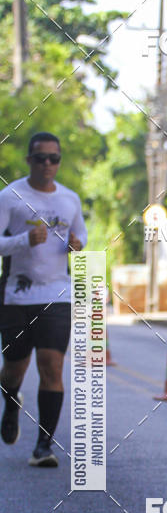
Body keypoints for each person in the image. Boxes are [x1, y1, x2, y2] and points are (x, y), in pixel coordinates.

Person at [0, 132, 87, 467]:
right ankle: (10, 402)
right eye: (41, 158)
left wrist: (78, 243)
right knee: (13, 369)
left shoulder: (69, 199)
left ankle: (43, 447)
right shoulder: (10, 196)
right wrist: (22, 240)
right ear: (29, 161)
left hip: (56, 294)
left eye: (54, 158)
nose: (48, 164)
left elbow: (81, 232)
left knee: (51, 366)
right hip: (16, 295)